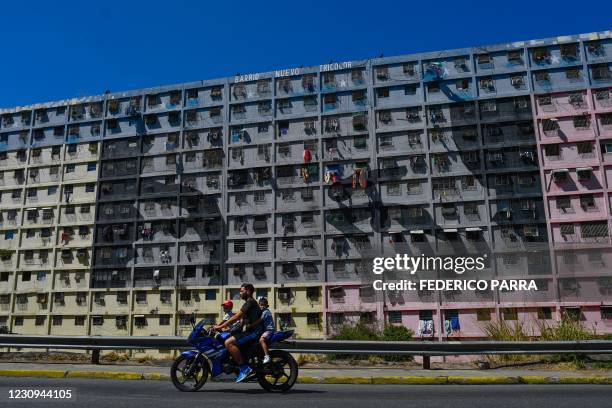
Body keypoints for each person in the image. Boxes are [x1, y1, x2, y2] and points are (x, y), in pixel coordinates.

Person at [213, 283, 262, 383]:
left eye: (241, 291)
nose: (240, 293)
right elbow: (241, 323)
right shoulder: (249, 304)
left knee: (228, 343)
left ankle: (244, 368)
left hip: (254, 332)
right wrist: (230, 331)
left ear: (248, 291)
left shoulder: (250, 302)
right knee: (230, 338)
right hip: (249, 331)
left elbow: (236, 317)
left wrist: (220, 326)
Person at [257, 297, 275, 364]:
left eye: (263, 305)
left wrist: (251, 324)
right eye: (260, 305)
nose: (262, 307)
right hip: (265, 330)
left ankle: (267, 356)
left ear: (267, 306)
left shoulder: (266, 312)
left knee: (262, 340)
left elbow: (259, 320)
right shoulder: (263, 312)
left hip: (269, 330)